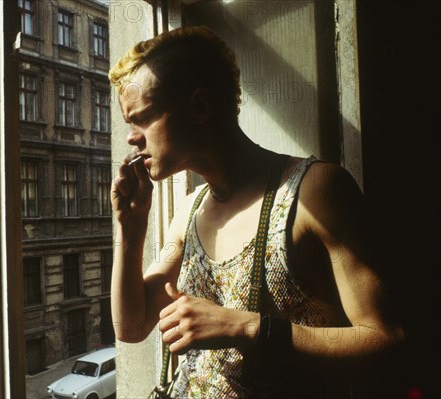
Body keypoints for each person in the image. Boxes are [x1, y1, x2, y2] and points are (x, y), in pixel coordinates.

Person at [109, 26, 403, 398]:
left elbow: (388, 340)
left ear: (199, 108)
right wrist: (130, 232)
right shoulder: (189, 210)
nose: (132, 137)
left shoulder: (315, 191)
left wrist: (246, 328)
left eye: (144, 118)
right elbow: (131, 328)